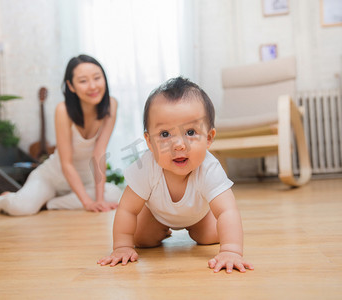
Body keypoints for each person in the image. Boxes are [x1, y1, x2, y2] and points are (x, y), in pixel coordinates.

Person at [98, 77, 254, 273]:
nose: (179, 145)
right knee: (142, 239)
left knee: (210, 236)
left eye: (190, 132)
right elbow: (127, 209)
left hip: (199, 216)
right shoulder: (146, 166)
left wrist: (231, 251)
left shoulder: (209, 168)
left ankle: (195, 228)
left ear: (209, 138)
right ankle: (161, 229)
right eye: (164, 134)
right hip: (156, 215)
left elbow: (227, 211)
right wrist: (121, 246)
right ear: (149, 141)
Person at [0, 54, 122, 216]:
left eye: (97, 78)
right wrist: (87, 202)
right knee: (21, 209)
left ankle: (48, 204)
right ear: (71, 86)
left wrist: (99, 200)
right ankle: (3, 200)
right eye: (83, 81)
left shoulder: (111, 105)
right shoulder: (63, 110)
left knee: (115, 194)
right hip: (52, 178)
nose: (93, 86)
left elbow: (99, 153)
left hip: (85, 180)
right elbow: (67, 163)